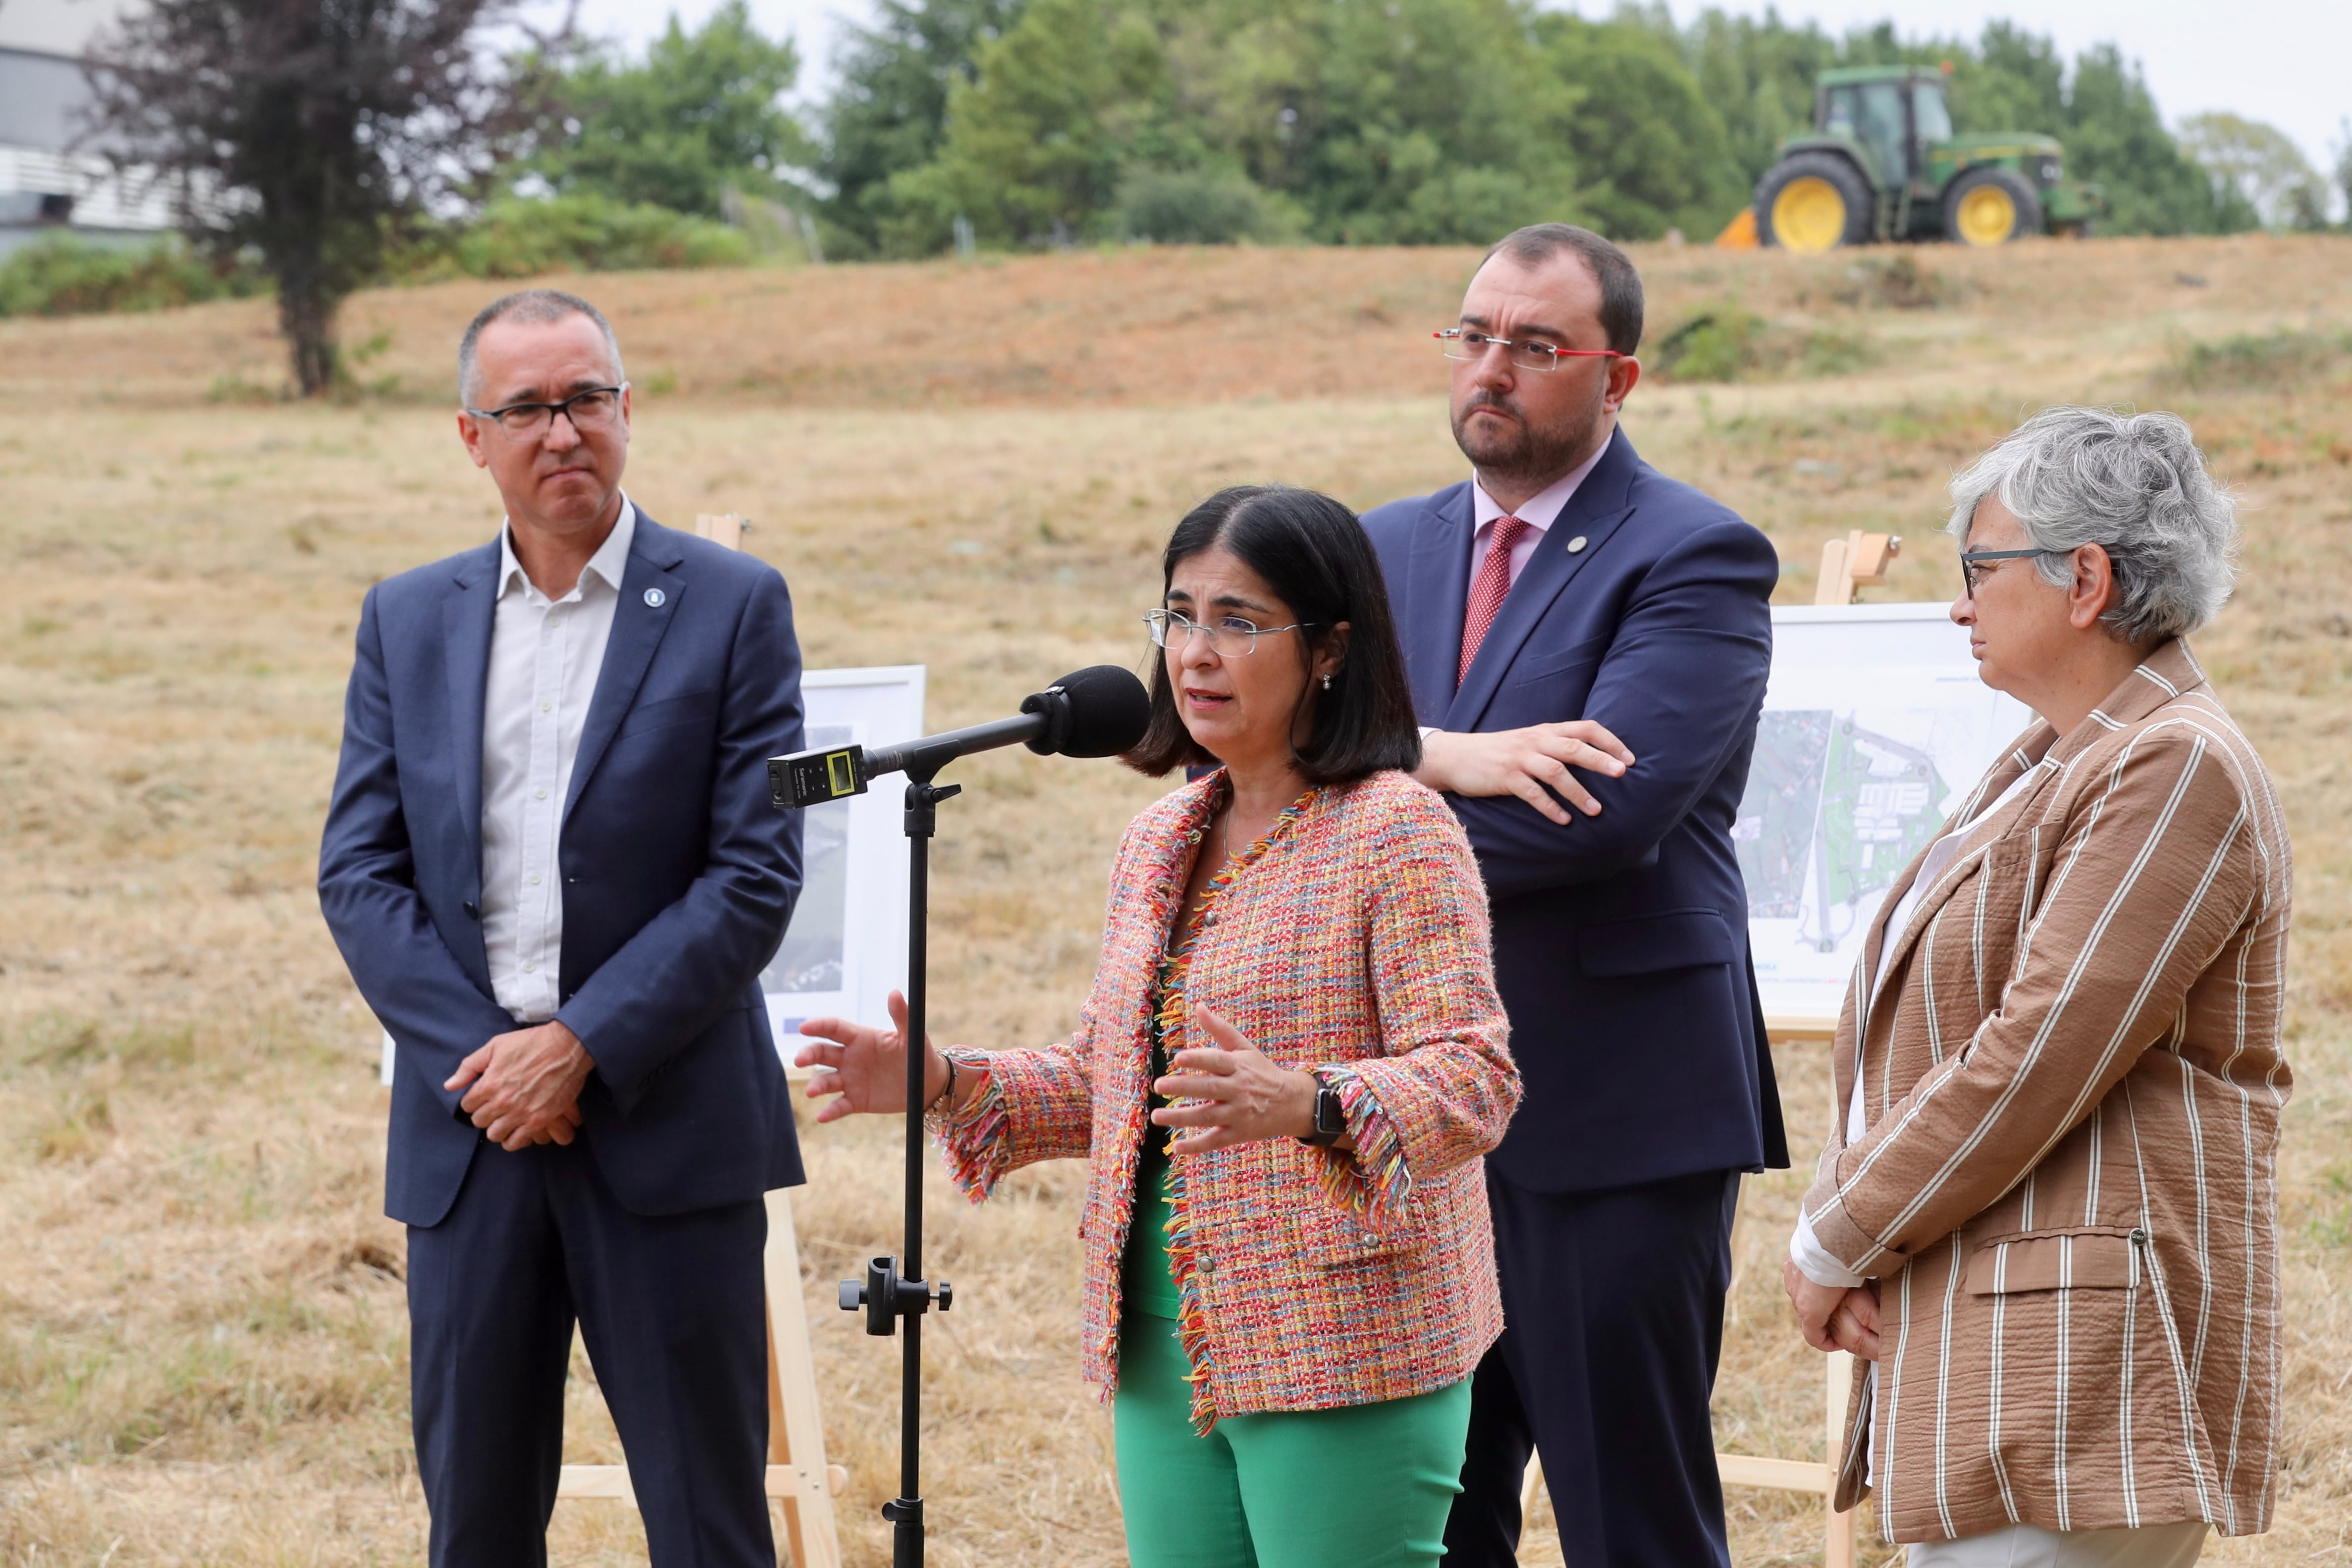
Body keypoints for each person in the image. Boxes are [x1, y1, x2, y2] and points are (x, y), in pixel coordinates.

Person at [797, 485, 1521, 1568]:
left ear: (1329, 649)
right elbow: (1112, 1078)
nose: (1195, 652)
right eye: (1179, 615)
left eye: (1238, 620)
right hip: (1161, 1334)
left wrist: (1311, 1100)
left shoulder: (1398, 831)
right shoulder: (1161, 834)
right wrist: (946, 1079)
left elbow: (1474, 1078)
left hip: (1343, 1336)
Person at [317, 288, 807, 1568]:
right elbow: (359, 871)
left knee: (708, 1520)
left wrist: (580, 1043)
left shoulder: (733, 603)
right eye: (526, 407)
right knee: (474, 1522)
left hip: (665, 1123)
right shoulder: (407, 617)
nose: (562, 430)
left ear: (627, 410)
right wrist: (487, 1059)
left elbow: (753, 871)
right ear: (471, 436)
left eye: (586, 397)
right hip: (472, 1130)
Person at [1782, 407, 2292, 1566]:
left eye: (1978, 566)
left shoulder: (2175, 762)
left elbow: (2031, 1055)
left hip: (2076, 1370)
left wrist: (1832, 1236)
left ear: (2085, 579)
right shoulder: (2052, 753)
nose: (1959, 602)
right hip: (2008, 1339)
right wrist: (1861, 1232)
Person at [1357, 222, 1788, 1568]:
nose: (1492, 366)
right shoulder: (1373, 549)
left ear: (1618, 379)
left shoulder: (1697, 557)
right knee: (1428, 1520)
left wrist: (1353, 816)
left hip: (1612, 1111)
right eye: (1473, 333)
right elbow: (1260, 757)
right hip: (1408, 1115)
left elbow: (1599, 816)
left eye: (1536, 346)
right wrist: (1440, 756)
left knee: (1631, 1521)